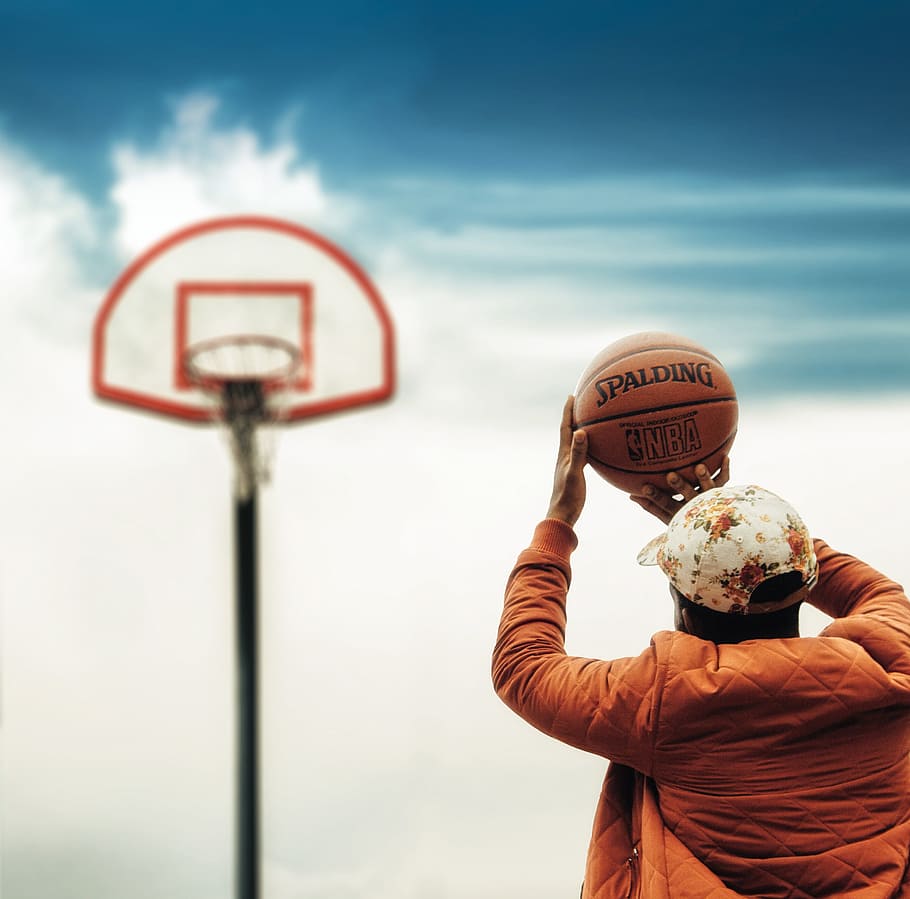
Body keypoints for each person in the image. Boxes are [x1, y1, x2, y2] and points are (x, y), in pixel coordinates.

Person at [492, 397, 910, 898]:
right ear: (804, 582)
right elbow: (873, 593)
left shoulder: (666, 700)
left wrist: (558, 522)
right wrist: (742, 522)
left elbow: (524, 666)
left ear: (683, 606)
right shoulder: (891, 658)